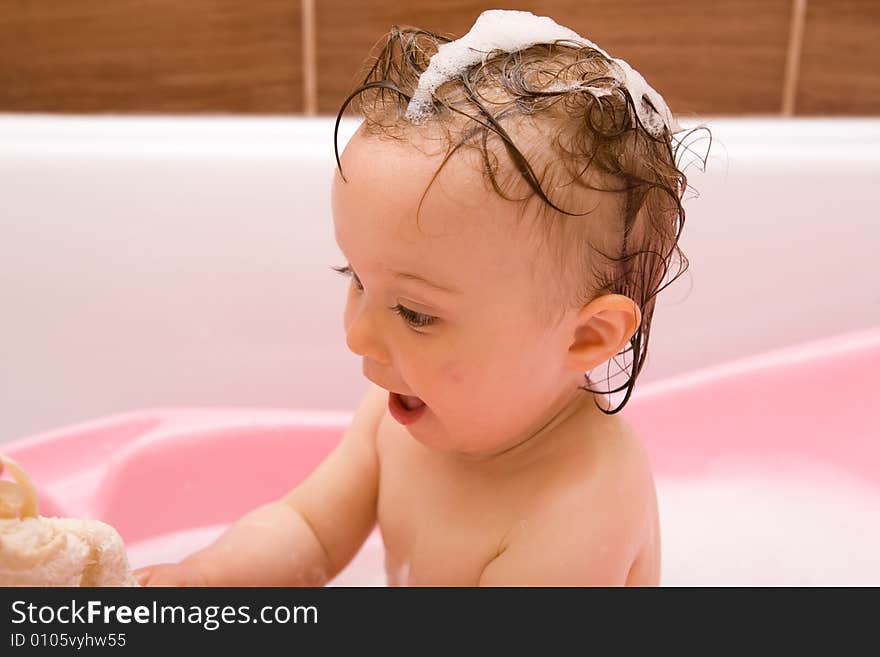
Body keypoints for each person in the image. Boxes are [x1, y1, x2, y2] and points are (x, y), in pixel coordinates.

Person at [136, 9, 698, 587]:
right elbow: (308, 529)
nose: (356, 334)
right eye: (355, 277)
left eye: (415, 312)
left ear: (585, 336)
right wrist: (203, 581)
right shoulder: (398, 418)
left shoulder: (580, 508)